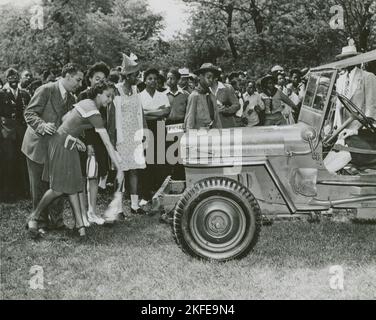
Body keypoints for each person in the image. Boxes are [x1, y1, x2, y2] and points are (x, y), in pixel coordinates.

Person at [26, 81, 123, 239]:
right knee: (58, 188)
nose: (110, 100)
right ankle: (34, 216)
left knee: (75, 185)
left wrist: (74, 137)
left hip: (66, 143)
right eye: (108, 96)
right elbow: (106, 142)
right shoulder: (94, 111)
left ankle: (80, 228)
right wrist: (119, 166)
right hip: (61, 146)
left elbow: (66, 118)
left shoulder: (86, 102)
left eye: (111, 97)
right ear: (98, 94)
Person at [22, 63, 84, 233]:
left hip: (58, 149)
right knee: (39, 186)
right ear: (68, 76)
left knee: (58, 183)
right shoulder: (46, 89)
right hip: (38, 146)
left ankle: (57, 221)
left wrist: (76, 139)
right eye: (78, 80)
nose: (79, 84)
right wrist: (42, 126)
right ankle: (38, 222)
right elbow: (29, 113)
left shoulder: (72, 99)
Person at [324, 40, 376, 173]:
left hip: (361, 130)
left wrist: (355, 130)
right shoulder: (340, 79)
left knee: (343, 160)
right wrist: (336, 127)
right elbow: (339, 106)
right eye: (344, 59)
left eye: (349, 58)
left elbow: (370, 108)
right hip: (343, 129)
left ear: (357, 59)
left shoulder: (367, 77)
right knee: (330, 158)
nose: (346, 62)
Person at [77, 62, 110, 225]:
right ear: (89, 79)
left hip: (100, 140)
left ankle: (92, 211)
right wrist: (89, 144)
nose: (100, 81)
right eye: (97, 78)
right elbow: (84, 123)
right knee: (85, 176)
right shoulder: (83, 95)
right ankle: (83, 214)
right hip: (86, 140)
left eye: (103, 79)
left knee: (95, 176)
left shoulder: (104, 95)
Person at [113, 54, 147, 215]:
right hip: (121, 136)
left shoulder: (136, 89)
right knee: (121, 170)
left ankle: (134, 205)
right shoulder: (116, 90)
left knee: (134, 170)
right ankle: (118, 208)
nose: (137, 78)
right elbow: (112, 116)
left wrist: (144, 131)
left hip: (135, 135)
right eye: (135, 75)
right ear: (126, 76)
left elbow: (141, 112)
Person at [0, 68, 31, 202]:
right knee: (9, 161)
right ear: (7, 80)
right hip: (7, 133)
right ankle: (8, 194)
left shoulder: (25, 94)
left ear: (18, 79)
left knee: (23, 160)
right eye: (10, 78)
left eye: (15, 77)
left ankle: (24, 191)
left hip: (22, 132)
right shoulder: (2, 94)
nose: (13, 80)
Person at [139, 68, 171, 200]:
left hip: (160, 127)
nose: (152, 81)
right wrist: (157, 112)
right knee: (147, 158)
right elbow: (141, 115)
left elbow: (166, 112)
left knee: (160, 158)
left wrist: (148, 112)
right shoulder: (140, 96)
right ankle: (146, 192)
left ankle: (159, 191)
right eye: (149, 79)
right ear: (145, 81)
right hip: (146, 128)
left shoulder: (162, 95)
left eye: (155, 79)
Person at [195, 63, 240, 128]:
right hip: (210, 128)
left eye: (211, 76)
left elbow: (237, 105)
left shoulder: (227, 88)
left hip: (227, 125)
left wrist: (225, 110)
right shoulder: (202, 91)